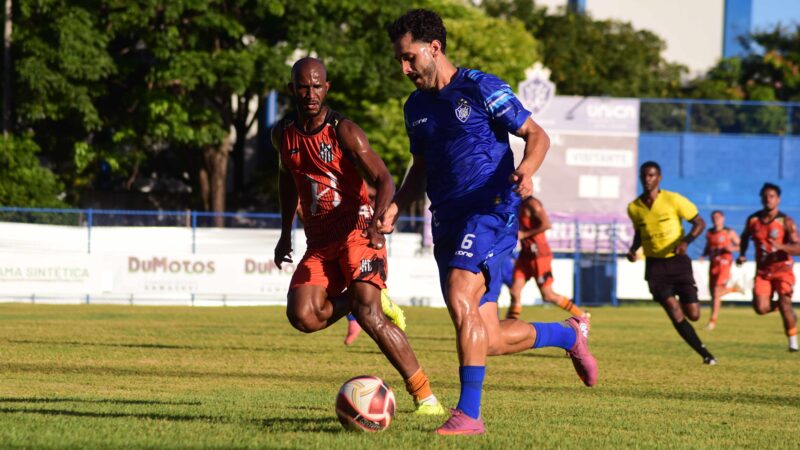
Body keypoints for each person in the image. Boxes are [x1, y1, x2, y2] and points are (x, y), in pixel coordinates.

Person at [382, 9, 597, 436]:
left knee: (463, 292)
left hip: (491, 211)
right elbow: (420, 164)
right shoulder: (415, 107)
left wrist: (528, 170)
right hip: (446, 220)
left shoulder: (482, 88)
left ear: (434, 48)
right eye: (400, 60)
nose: (404, 68)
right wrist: (396, 202)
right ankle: (569, 335)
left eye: (409, 58)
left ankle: (469, 415)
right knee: (487, 336)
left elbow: (538, 136)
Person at [273, 57, 443, 414]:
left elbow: (385, 179)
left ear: (327, 88)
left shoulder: (343, 131)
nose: (310, 94)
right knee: (303, 317)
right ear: (292, 90)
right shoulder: (282, 134)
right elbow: (287, 180)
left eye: (317, 86)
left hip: (357, 230)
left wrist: (378, 222)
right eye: (303, 87)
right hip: (319, 241)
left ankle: (425, 397)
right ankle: (364, 297)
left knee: (370, 315)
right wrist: (285, 231)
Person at [626, 161, 717, 365]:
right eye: (644, 176)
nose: (647, 179)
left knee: (693, 314)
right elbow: (639, 234)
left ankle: (704, 350)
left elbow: (699, 223)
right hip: (655, 267)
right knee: (673, 311)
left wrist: (685, 242)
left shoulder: (673, 199)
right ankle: (705, 354)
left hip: (678, 262)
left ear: (659, 178)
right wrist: (633, 250)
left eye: (652, 175)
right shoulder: (634, 208)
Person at [738, 183, 800, 352]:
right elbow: (744, 237)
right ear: (761, 198)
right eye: (765, 196)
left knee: (785, 302)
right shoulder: (753, 220)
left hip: (783, 270)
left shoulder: (785, 221)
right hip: (763, 271)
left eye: (772, 196)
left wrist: (783, 247)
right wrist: (742, 254)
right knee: (761, 308)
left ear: (778, 199)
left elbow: (798, 247)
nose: (768, 199)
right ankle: (784, 307)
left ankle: (793, 343)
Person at [506, 196, 587, 320]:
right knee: (514, 290)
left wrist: (524, 234)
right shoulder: (517, 204)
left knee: (548, 295)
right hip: (525, 255)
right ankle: (510, 325)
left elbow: (546, 225)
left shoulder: (533, 204)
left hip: (539, 255)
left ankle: (582, 316)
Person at [700, 210, 741, 330]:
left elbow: (740, 246)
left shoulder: (729, 232)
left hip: (724, 264)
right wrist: (704, 254)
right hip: (713, 265)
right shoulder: (709, 233)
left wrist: (732, 248)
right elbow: (709, 247)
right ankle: (712, 321)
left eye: (718, 217)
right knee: (713, 294)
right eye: (714, 217)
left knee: (717, 292)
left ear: (723, 218)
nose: (716, 219)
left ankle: (712, 321)